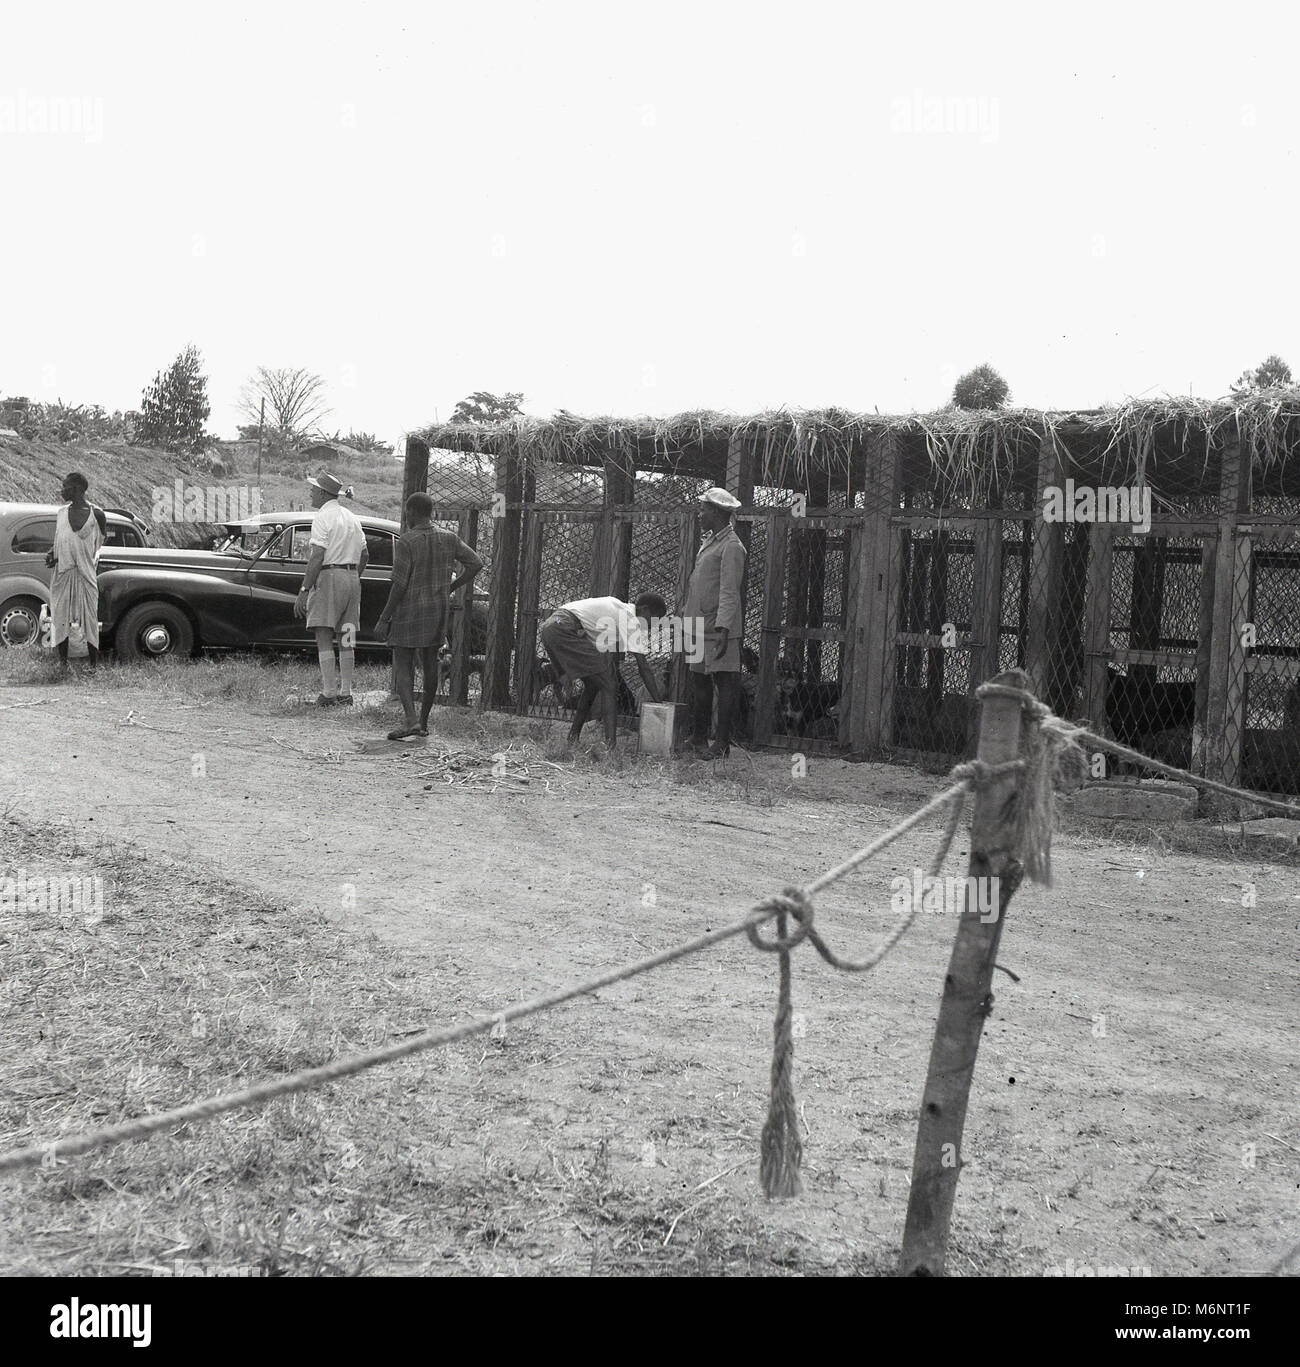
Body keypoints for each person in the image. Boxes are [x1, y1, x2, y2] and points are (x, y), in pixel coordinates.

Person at [375, 491, 484, 740]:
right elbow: (476, 563)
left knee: (403, 663)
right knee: (430, 665)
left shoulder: (407, 541)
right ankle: (423, 723)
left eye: (406, 511)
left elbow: (399, 585)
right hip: (437, 610)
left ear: (412, 512)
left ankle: (410, 720)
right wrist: (451, 588)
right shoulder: (448, 538)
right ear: (431, 512)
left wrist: (384, 618)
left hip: (409, 610)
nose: (406, 515)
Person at [539, 592, 667, 750]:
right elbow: (643, 667)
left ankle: (573, 736)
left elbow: (599, 650)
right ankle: (611, 748)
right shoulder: (630, 619)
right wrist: (659, 703)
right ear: (645, 610)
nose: (653, 625)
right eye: (654, 619)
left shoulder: (618, 608)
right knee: (609, 686)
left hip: (552, 625)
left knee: (594, 685)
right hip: (564, 628)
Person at [293, 473, 368, 706]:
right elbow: (365, 554)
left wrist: (304, 589)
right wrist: (353, 576)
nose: (311, 492)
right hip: (352, 576)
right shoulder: (352, 517)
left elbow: (317, 556)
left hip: (329, 574)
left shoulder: (323, 517)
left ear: (324, 493)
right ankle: (346, 691)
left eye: (314, 489)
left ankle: (328, 692)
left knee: (323, 632)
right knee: (346, 634)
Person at [683, 487, 746, 758]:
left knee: (725, 682)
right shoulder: (710, 541)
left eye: (705, 509)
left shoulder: (732, 546)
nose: (701, 514)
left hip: (719, 628)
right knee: (699, 681)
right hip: (697, 625)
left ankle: (722, 744)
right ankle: (698, 738)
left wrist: (724, 629)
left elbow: (730, 590)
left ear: (718, 513)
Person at [44, 472, 107, 669]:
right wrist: (53, 555)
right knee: (60, 617)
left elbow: (98, 544)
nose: (61, 491)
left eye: (65, 487)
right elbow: (59, 541)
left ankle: (93, 666)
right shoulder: (61, 513)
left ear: (77, 489)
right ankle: (63, 663)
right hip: (63, 573)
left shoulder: (97, 515)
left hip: (86, 574)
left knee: (89, 619)